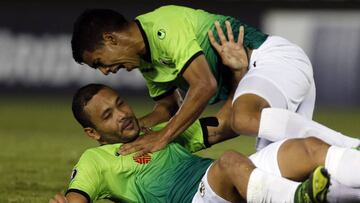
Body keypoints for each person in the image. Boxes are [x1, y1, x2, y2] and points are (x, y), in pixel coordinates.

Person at [49, 84, 330, 203]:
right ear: (93, 133)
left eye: (120, 103)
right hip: (197, 198)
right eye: (108, 116)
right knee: (229, 162)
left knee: (303, 148)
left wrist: (245, 75)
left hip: (225, 184)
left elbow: (224, 125)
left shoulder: (161, 132)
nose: (122, 115)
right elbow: (77, 198)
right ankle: (295, 198)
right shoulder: (95, 161)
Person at [70, 5, 266, 156]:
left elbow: (204, 85)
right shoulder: (144, 60)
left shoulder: (163, 27)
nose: (105, 72)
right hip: (251, 79)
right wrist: (128, 131)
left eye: (99, 62)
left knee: (244, 125)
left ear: (110, 39)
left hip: (265, 57)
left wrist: (163, 137)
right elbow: (167, 108)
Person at [208, 20, 360, 150]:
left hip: (278, 60)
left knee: (243, 118)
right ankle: (347, 154)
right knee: (277, 162)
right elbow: (218, 130)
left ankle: (349, 146)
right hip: (285, 68)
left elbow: (230, 121)